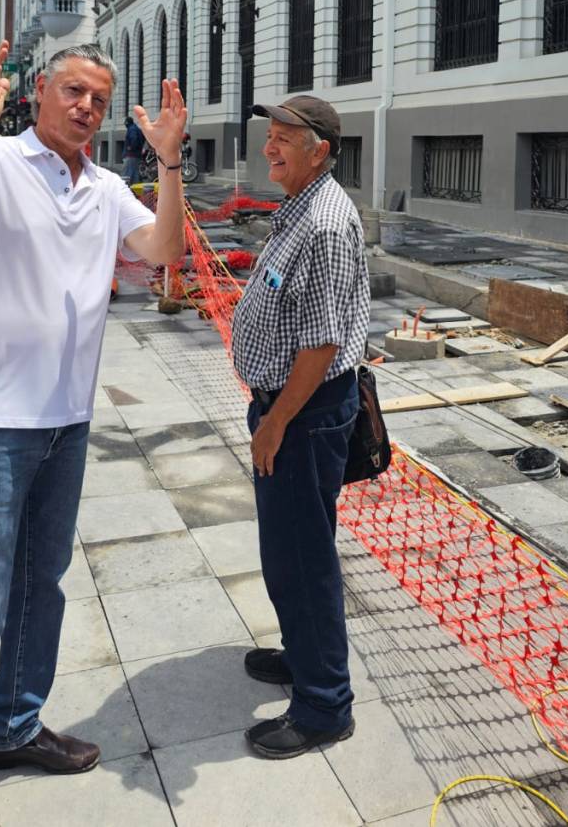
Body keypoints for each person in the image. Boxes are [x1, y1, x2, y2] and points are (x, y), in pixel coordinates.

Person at [0, 41, 187, 827]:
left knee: (39, 590)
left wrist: (170, 164)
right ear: (40, 95)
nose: (86, 105)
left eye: (99, 95)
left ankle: (14, 725)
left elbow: (162, 251)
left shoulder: (108, 186)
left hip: (65, 422)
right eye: (72, 90)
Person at [231, 95, 370, 759]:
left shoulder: (325, 222)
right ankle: (302, 653)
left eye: (284, 137)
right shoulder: (300, 204)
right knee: (286, 551)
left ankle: (324, 705)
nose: (271, 148)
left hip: (303, 415)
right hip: (287, 409)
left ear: (320, 147)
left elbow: (320, 345)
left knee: (304, 558)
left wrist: (274, 422)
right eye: (271, 136)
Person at [122, 116, 145, 185]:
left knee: (127, 174)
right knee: (135, 174)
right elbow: (143, 138)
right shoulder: (138, 129)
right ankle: (135, 190)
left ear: (127, 123)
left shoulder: (131, 129)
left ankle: (126, 190)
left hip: (130, 155)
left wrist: (131, 147)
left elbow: (133, 139)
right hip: (137, 155)